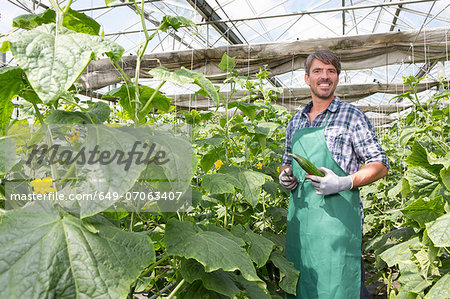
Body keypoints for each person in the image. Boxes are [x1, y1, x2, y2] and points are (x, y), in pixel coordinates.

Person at [279, 49, 388, 299]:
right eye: (317, 71)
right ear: (307, 78)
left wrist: (344, 181)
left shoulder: (351, 116)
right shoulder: (295, 121)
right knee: (302, 282)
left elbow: (379, 163)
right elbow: (287, 161)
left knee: (341, 284)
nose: (324, 76)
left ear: (337, 78)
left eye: (331, 71)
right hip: (302, 223)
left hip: (338, 224)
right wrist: (285, 176)